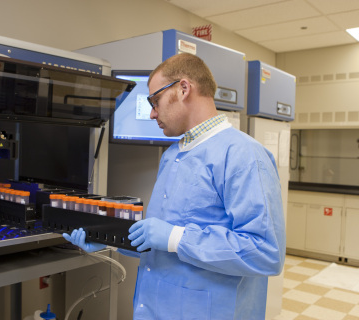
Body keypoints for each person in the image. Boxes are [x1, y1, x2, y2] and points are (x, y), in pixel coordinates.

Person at [64, 53, 285, 320]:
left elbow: (264, 252)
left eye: (155, 100)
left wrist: (176, 237)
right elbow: (161, 238)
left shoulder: (244, 155)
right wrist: (108, 241)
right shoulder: (173, 154)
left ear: (183, 88)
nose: (152, 112)